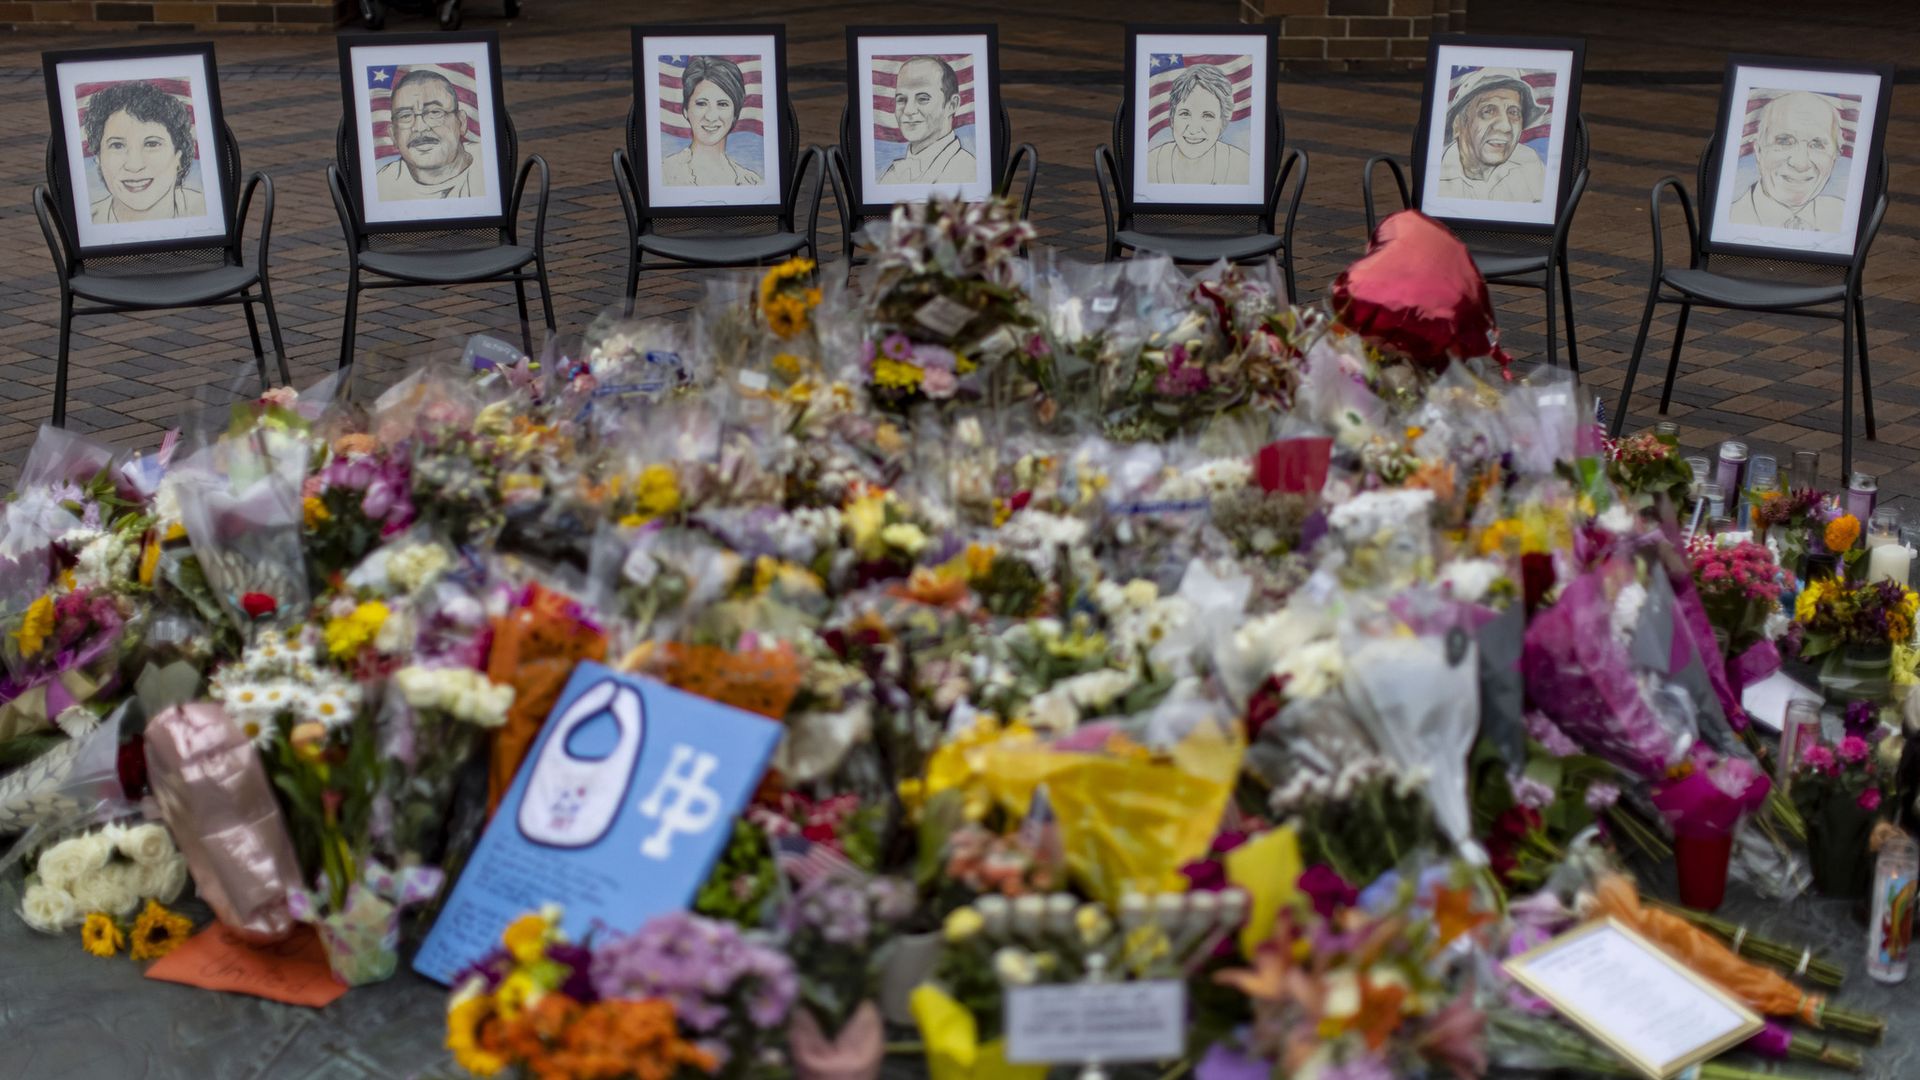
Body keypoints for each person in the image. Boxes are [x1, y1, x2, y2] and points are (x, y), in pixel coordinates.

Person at [84, 80, 207, 224]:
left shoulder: (206, 211)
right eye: (117, 145)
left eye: (152, 144)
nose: (134, 165)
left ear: (178, 157)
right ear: (99, 158)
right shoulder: (87, 224)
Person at [1728, 91, 1846, 232]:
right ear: (1759, 151)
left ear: (1834, 156)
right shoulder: (1728, 219)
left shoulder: (1845, 220)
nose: (1800, 164)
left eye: (1817, 144)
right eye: (1784, 141)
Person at [1436, 67, 1546, 203]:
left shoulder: (1529, 163)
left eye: (1513, 112)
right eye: (1488, 111)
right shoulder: (1435, 177)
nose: (1505, 127)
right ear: (1458, 124)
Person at [375, 68, 485, 201]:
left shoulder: (489, 168)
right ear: (393, 135)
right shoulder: (380, 187)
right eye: (405, 116)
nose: (420, 127)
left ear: (461, 122)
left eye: (434, 112)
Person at [660, 56, 763, 187]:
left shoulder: (752, 181)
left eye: (722, 104)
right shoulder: (664, 174)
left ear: (735, 113)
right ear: (686, 110)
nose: (711, 116)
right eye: (702, 103)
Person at [878, 56, 977, 185]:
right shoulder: (890, 177)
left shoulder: (968, 172)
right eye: (901, 99)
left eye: (923, 98)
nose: (908, 110)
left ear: (952, 105)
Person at [1146, 64, 1250, 185]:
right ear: (1172, 117)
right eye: (1185, 113)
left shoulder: (1243, 166)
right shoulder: (1150, 164)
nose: (1194, 129)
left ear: (1222, 122)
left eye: (1207, 116)